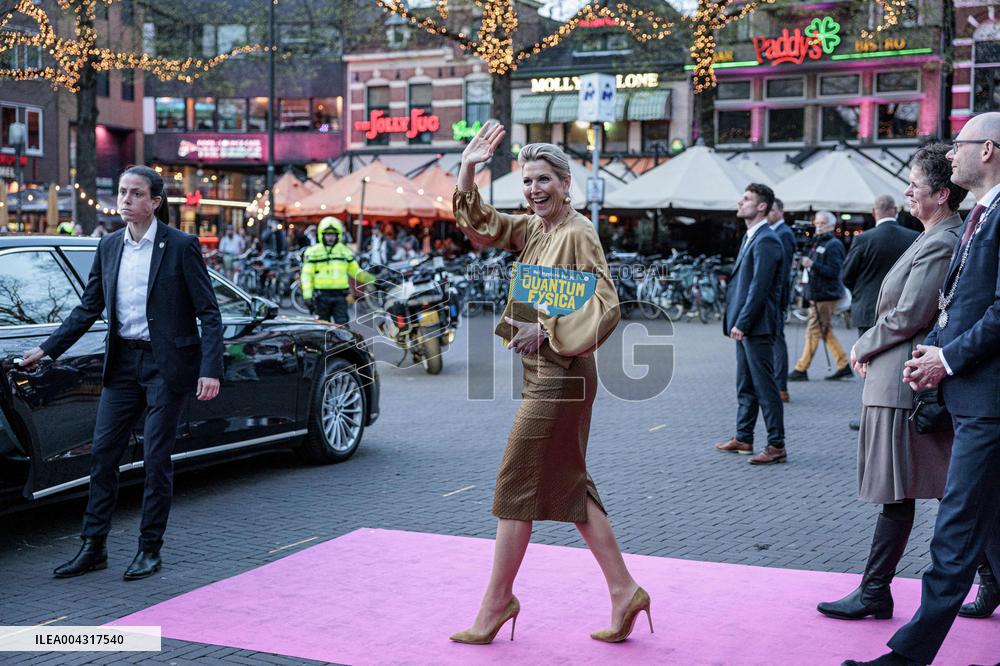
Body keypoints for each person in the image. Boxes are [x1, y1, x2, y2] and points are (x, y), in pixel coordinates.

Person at [449, 123, 649, 646]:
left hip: (562, 374)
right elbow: (483, 224)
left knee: (516, 482)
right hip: (545, 372)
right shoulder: (536, 228)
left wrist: (548, 329)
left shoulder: (578, 231)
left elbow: (607, 303)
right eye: (527, 181)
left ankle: (496, 603)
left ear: (566, 183)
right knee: (570, 487)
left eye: (543, 180)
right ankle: (625, 590)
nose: (534, 190)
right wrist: (469, 167)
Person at [843, 112, 1000, 666]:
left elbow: (989, 310)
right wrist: (935, 352)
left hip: (977, 395)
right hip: (960, 388)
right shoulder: (979, 216)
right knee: (976, 515)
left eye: (961, 144)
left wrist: (944, 357)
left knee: (953, 523)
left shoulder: (984, 219)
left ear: (989, 150)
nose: (952, 152)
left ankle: (905, 647)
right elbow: (953, 306)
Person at [20, 166, 223, 581]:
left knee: (155, 458)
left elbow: (209, 313)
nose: (125, 200)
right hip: (123, 363)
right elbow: (88, 307)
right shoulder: (109, 246)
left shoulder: (180, 246)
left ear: (155, 202)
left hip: (167, 366)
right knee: (103, 454)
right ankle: (93, 547)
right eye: (122, 192)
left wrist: (210, 369)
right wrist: (46, 349)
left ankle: (150, 548)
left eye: (135, 193)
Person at [818, 144, 964, 623]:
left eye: (915, 184)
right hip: (897, 378)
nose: (907, 190)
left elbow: (908, 314)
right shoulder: (932, 236)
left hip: (903, 383)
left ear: (941, 194)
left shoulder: (943, 239)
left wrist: (864, 345)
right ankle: (876, 589)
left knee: (912, 491)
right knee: (923, 490)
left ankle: (876, 591)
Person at [715, 184, 787, 465]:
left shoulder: (767, 240)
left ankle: (777, 445)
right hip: (747, 325)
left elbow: (759, 287)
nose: (740, 202)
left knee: (765, 387)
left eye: (746, 199)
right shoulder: (751, 237)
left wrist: (742, 322)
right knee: (745, 383)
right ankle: (743, 437)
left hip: (757, 326)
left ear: (761, 207)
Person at [841, 196, 919, 430]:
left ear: (875, 212)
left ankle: (869, 416)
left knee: (867, 363)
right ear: (895, 211)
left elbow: (847, 274)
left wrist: (861, 291)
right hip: (902, 310)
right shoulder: (913, 237)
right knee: (899, 363)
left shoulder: (864, 239)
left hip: (868, 310)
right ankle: (902, 412)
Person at [788, 211, 851, 381]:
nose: (818, 226)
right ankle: (843, 363)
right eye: (816, 223)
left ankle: (802, 367)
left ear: (831, 225)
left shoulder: (834, 244)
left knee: (813, 330)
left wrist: (812, 264)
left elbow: (835, 271)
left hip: (826, 295)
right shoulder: (816, 242)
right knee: (824, 330)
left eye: (822, 223)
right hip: (817, 293)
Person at [300, 216, 374, 325]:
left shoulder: (344, 252)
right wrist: (307, 295)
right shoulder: (313, 252)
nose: (331, 238)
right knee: (322, 328)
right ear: (322, 235)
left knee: (343, 327)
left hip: (340, 296)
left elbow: (356, 271)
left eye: (333, 235)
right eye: (328, 234)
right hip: (321, 297)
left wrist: (373, 280)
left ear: (338, 235)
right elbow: (307, 275)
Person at [768, 198, 795, 402]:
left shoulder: (783, 233)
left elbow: (782, 271)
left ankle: (780, 387)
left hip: (777, 296)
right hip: (777, 295)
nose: (769, 213)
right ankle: (777, 385)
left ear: (780, 212)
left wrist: (777, 298)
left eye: (772, 210)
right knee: (775, 340)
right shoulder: (779, 232)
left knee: (777, 340)